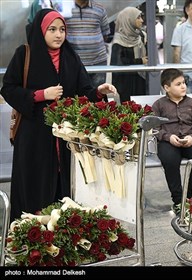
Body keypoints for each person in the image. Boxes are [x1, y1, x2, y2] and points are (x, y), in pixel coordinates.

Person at [0, 9, 117, 222]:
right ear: (41, 30)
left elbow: (84, 91)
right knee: (34, 186)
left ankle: (62, 239)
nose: (58, 35)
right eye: (52, 29)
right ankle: (31, 238)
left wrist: (99, 91)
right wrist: (41, 95)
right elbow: (8, 89)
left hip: (64, 138)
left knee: (64, 187)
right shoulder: (24, 54)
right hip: (34, 137)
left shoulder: (70, 57)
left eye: (62, 29)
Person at [152, 68, 192, 214]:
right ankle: (178, 201)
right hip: (168, 141)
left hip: (189, 139)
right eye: (178, 84)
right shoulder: (159, 105)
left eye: (184, 82)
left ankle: (189, 197)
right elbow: (155, 128)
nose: (183, 86)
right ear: (167, 87)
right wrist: (168, 137)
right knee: (170, 160)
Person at [64, 0, 110, 88]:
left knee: (98, 94)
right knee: (76, 97)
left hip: (98, 61)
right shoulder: (65, 8)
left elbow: (105, 34)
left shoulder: (99, 8)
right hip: (73, 62)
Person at [110, 6, 148, 102]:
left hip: (140, 80)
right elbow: (118, 63)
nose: (142, 20)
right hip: (126, 83)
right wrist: (140, 61)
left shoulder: (141, 36)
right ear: (128, 20)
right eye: (138, 18)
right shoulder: (119, 41)